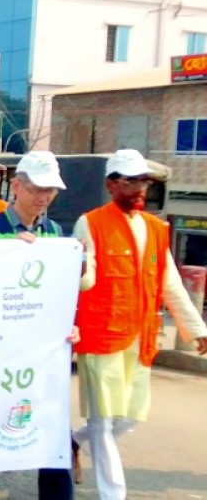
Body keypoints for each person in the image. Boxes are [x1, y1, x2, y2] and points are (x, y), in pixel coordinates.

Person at [72, 150, 207, 500]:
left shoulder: (156, 229)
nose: (139, 189)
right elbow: (86, 281)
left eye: (143, 182)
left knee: (131, 417)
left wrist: (197, 329)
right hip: (102, 337)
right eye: (131, 181)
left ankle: (74, 441)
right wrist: (80, 265)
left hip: (140, 337)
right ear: (111, 184)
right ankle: (113, 494)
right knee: (103, 421)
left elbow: (170, 283)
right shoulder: (91, 223)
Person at [0, 151, 76, 500]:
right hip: (0, 350)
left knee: (55, 431)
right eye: (36, 189)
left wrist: (69, 325)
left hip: (42, 352)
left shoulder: (55, 233)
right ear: (16, 187)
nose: (44, 197)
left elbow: (58, 293)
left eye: (50, 190)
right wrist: (8, 256)